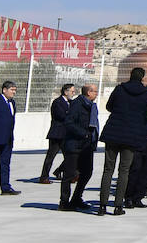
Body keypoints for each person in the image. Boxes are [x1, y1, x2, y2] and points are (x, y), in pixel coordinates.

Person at [97, 68, 147, 213]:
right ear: (142, 78)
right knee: (124, 171)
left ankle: (102, 205)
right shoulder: (145, 95)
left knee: (108, 169)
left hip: (113, 133)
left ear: (130, 75)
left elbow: (109, 106)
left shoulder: (120, 89)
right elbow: (146, 118)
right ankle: (118, 205)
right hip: (131, 136)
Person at [57, 83, 99, 212]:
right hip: (74, 145)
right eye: (95, 92)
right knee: (69, 175)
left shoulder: (91, 106)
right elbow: (68, 122)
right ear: (88, 92)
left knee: (87, 172)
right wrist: (84, 134)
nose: (97, 94)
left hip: (87, 146)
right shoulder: (77, 104)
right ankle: (64, 202)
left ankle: (76, 198)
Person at [122, 84, 147, 208]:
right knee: (135, 170)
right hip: (139, 141)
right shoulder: (138, 106)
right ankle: (128, 197)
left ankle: (138, 197)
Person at [39, 83, 75, 184]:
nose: (73, 93)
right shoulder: (57, 102)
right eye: (72, 91)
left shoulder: (71, 103)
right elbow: (61, 116)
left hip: (67, 134)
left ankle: (63, 172)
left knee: (70, 156)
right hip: (57, 134)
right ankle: (44, 176)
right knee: (50, 156)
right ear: (65, 92)